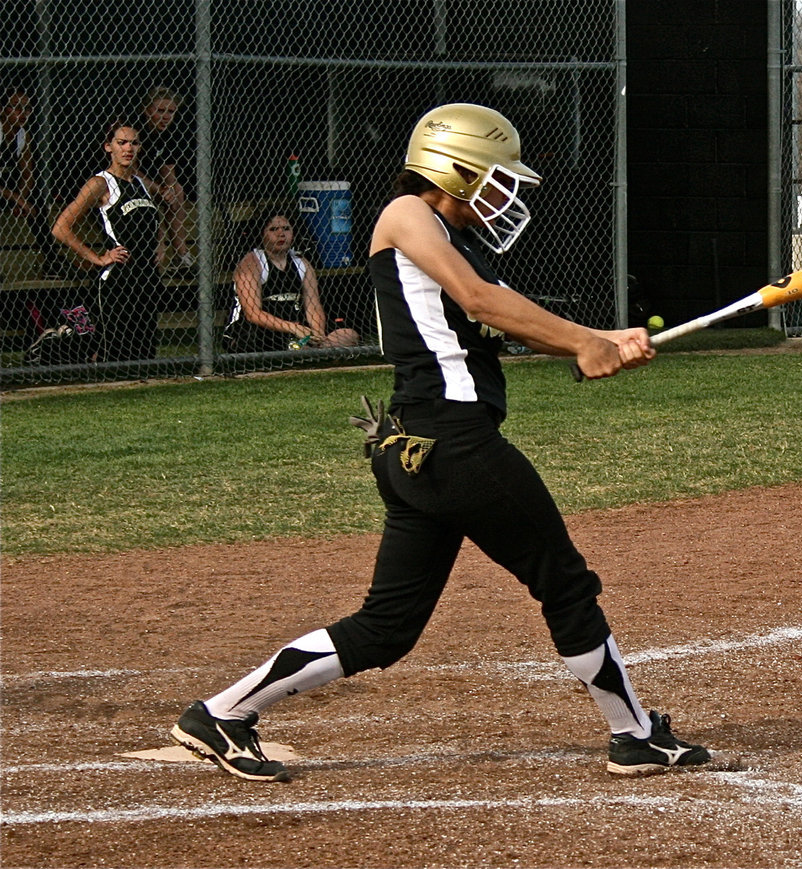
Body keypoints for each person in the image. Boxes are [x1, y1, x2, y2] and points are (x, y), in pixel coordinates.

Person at [170, 103, 711, 782]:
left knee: (386, 628)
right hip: (451, 442)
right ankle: (632, 734)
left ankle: (221, 713)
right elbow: (482, 302)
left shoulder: (461, 245)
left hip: (423, 448)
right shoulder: (406, 215)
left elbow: (513, 318)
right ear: (450, 170)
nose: (505, 193)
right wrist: (586, 342)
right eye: (493, 176)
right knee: (565, 581)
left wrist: (603, 342)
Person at [51, 121, 164, 361]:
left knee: (144, 351)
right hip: (119, 278)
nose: (128, 149)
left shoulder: (141, 184)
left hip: (147, 276)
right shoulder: (101, 183)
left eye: (134, 143)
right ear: (108, 147)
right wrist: (98, 258)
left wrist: (161, 245)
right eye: (121, 143)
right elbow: (61, 228)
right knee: (114, 350)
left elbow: (158, 216)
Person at [223, 210, 360, 352]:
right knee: (268, 339)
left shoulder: (301, 263)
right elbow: (253, 314)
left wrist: (317, 332)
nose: (281, 234)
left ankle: (314, 351)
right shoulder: (252, 262)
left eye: (286, 229)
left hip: (297, 328)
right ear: (262, 233)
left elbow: (312, 306)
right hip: (260, 331)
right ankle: (304, 352)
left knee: (348, 335)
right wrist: (293, 328)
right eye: (273, 229)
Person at [0, 86, 67, 278]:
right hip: (5, 191)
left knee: (37, 200)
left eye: (27, 108)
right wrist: (18, 200)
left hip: (7, 191)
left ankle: (52, 259)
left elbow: (27, 172)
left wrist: (22, 197)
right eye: (16, 107)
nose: (23, 113)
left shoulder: (22, 136)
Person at [136, 86, 193, 272]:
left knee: (177, 191)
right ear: (147, 110)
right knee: (152, 196)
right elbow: (130, 172)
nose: (166, 116)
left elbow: (168, 171)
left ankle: (182, 256)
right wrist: (160, 190)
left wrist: (170, 188)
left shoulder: (168, 133)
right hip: (125, 183)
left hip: (150, 183)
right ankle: (157, 253)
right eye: (160, 111)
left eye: (171, 111)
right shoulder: (135, 129)